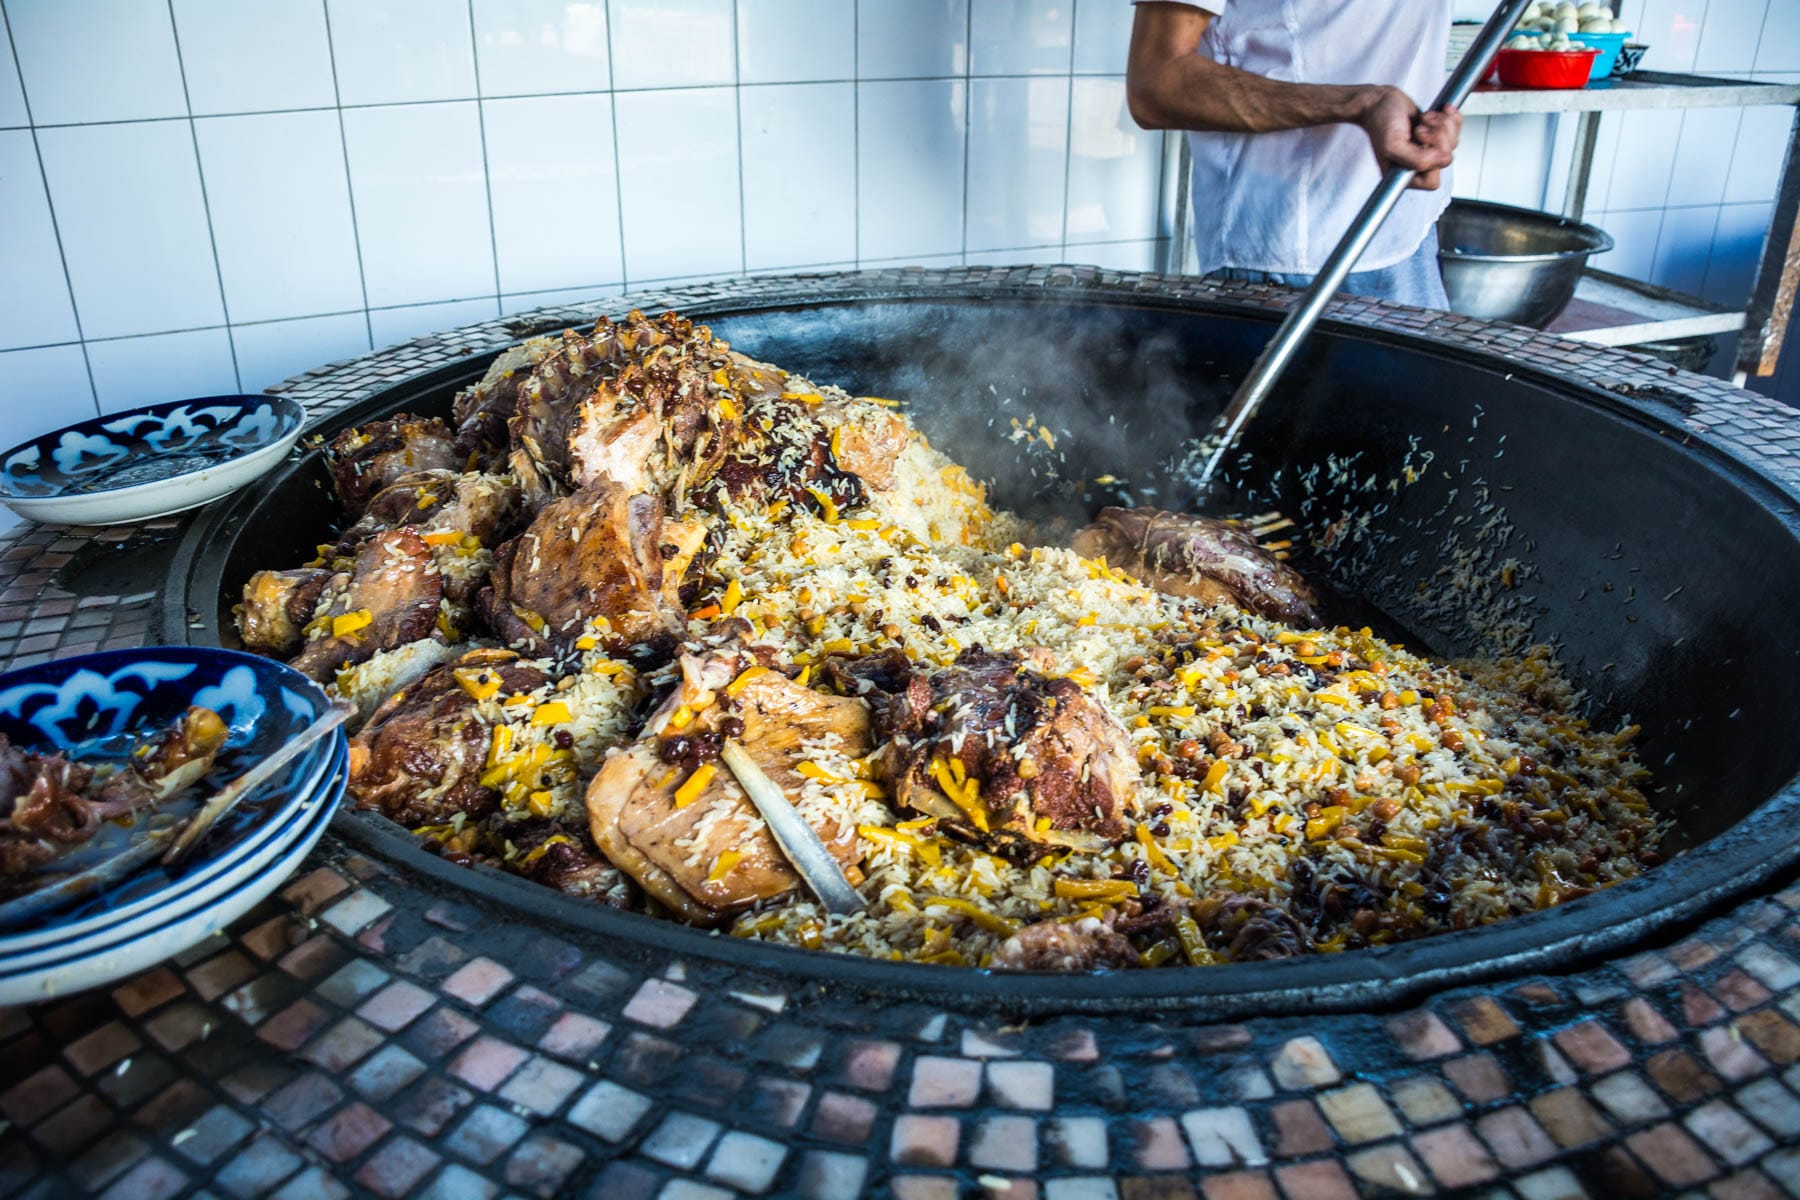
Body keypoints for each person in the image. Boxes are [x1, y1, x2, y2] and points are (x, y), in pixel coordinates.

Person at [1125, 0, 1462, 309]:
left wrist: (1429, 125)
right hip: (1291, 256)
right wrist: (1361, 104)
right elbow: (1157, 84)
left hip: (1408, 231)